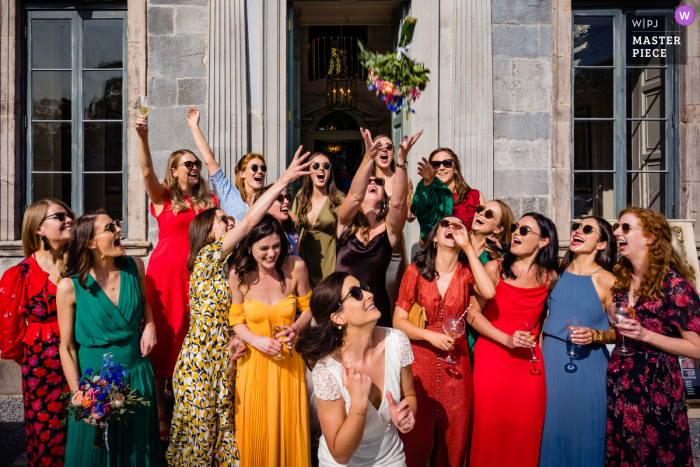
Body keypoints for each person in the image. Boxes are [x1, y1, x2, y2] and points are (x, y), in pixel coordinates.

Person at [167, 147, 312, 467]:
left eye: (228, 218)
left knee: (228, 445)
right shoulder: (207, 258)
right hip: (202, 360)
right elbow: (249, 222)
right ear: (207, 232)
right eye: (222, 220)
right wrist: (282, 181)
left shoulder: (235, 264)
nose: (230, 221)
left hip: (231, 358)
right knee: (199, 445)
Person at [135, 113, 218, 441]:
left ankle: (186, 410)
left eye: (196, 163)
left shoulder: (210, 202)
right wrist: (143, 136)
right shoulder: (163, 198)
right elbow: (144, 171)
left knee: (190, 341)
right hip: (164, 276)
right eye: (188, 164)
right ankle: (159, 412)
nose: (194, 167)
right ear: (174, 170)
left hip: (196, 278)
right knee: (164, 341)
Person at [57, 211, 160, 466]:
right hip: (95, 383)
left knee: (139, 451)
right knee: (95, 454)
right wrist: (79, 396)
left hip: (137, 371)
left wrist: (150, 325)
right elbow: (67, 347)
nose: (118, 230)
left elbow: (145, 304)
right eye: (109, 227)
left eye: (116, 224)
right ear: (91, 242)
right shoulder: (69, 287)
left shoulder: (135, 266)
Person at [392, 216, 496, 467]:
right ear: (435, 238)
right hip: (420, 362)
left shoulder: (467, 273)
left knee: (455, 435)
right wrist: (430, 335)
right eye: (445, 224)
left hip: (456, 365)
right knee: (416, 436)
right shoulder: (415, 272)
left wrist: (468, 247)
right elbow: (398, 321)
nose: (452, 228)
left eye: (458, 225)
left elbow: (489, 292)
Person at [605, 207, 700, 467]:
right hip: (621, 380)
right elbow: (617, 316)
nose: (616, 232)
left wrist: (646, 334)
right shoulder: (623, 279)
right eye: (617, 227)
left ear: (651, 237)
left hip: (656, 387)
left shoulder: (674, 285)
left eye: (625, 228)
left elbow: (697, 348)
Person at [296, 272, 418, 467]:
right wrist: (359, 402)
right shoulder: (328, 371)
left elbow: (410, 394)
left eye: (363, 288)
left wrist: (408, 414)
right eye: (355, 293)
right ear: (338, 317)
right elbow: (340, 455)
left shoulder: (397, 342)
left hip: (392, 457)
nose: (368, 294)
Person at [467, 213, 559, 467]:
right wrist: (506, 339)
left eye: (525, 230)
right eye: (516, 228)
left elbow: (546, 323)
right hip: (493, 360)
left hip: (529, 366)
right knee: (489, 432)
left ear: (543, 242)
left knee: (526, 431)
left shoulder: (550, 278)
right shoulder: (494, 269)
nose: (516, 233)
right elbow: (472, 314)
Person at [228, 217, 313, 465]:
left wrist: (297, 327)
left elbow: (309, 308)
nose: (271, 253)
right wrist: (255, 340)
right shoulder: (239, 274)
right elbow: (235, 319)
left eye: (276, 246)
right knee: (256, 431)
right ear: (249, 247)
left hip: (288, 365)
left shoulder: (296, 267)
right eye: (263, 248)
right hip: (253, 366)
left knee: (288, 428)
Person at [0, 199, 74, 467]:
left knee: (86, 432)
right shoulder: (19, 275)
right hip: (42, 368)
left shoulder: (79, 266)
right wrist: (36, 361)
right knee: (48, 439)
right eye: (59, 217)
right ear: (39, 229)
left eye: (69, 215)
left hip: (83, 358)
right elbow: (9, 336)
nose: (68, 220)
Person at [539, 217, 617, 467]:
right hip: (550, 362)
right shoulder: (554, 273)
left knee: (585, 436)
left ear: (602, 244)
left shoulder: (608, 280)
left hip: (588, 367)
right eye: (575, 227)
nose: (577, 231)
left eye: (587, 229)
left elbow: (621, 332)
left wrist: (595, 334)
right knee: (549, 434)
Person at [335, 128, 422, 327]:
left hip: (376, 305)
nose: (372, 183)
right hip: (343, 306)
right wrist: (368, 156)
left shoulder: (388, 230)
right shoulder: (345, 223)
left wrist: (401, 160)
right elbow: (355, 196)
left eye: (377, 183)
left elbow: (399, 205)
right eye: (368, 182)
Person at [186, 107, 265, 223]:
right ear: (241, 173)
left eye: (263, 168)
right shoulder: (229, 193)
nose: (260, 171)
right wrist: (194, 127)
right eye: (254, 168)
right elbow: (209, 160)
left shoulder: (268, 197)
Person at [372, 135, 416, 315]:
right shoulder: (364, 180)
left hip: (394, 248)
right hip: (370, 244)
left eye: (389, 147)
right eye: (379, 146)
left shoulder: (404, 180)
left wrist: (417, 204)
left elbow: (410, 216)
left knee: (392, 300)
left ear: (393, 153)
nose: (384, 150)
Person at [291, 152, 345, 288]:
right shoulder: (301, 196)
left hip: (329, 265)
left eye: (325, 166)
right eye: (315, 165)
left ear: (329, 172)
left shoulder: (339, 199)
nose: (321, 169)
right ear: (309, 172)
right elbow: (291, 223)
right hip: (304, 262)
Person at [411, 148, 485, 242]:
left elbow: (483, 233)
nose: (442, 168)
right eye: (436, 164)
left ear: (456, 169)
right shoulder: (427, 197)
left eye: (447, 163)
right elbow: (423, 241)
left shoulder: (475, 196)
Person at [254, 185, 299, 256]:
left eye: (288, 197)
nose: (287, 202)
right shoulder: (256, 236)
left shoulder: (293, 237)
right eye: (279, 198)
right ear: (265, 206)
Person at [470, 200, 515, 265]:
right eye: (480, 208)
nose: (481, 213)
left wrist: (499, 258)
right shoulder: (456, 239)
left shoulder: (500, 256)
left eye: (489, 214)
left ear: (498, 229)